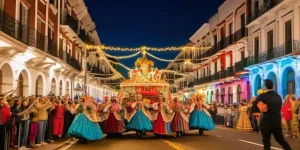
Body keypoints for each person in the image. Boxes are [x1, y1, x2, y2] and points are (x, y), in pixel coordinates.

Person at [252, 79, 291, 150]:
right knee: (280, 139)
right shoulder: (278, 96)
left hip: (266, 121)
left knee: (266, 141)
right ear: (272, 86)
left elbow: (254, 108)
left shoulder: (262, 96)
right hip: (277, 120)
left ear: (265, 86)